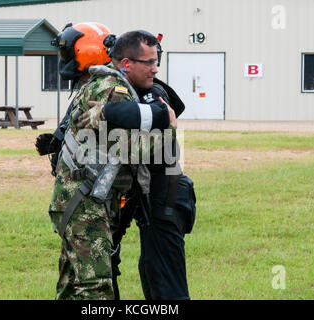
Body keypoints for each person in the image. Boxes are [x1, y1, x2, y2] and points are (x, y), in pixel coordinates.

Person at [75, 30, 196, 300]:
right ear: (126, 64)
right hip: (141, 193)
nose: (155, 69)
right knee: (133, 266)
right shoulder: (117, 89)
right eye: (150, 63)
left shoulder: (152, 92)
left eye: (156, 61)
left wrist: (106, 112)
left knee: (163, 276)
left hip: (165, 193)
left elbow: (161, 120)